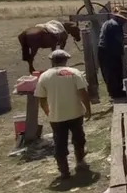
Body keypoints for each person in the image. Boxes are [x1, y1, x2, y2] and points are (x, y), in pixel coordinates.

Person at [35, 49, 91, 179]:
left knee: (60, 142)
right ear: (66, 60)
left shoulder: (44, 76)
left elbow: (42, 99)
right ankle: (80, 161)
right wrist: (88, 109)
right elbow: (83, 93)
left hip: (57, 116)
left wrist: (49, 112)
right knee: (78, 138)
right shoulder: (74, 73)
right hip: (75, 113)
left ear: (52, 61)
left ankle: (64, 170)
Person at [97, 10, 127, 99]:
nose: (124, 22)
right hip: (111, 51)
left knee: (108, 72)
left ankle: (113, 91)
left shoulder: (108, 23)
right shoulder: (116, 26)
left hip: (104, 50)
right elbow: (120, 39)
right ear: (119, 19)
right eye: (124, 20)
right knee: (115, 71)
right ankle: (116, 93)